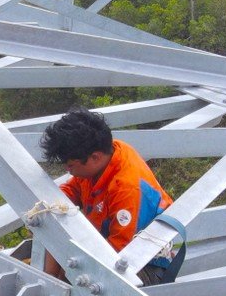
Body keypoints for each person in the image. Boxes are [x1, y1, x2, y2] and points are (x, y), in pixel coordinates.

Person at [37, 108, 182, 283]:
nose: (70, 172)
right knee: (55, 231)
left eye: (71, 166)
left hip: (142, 266)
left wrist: (67, 271)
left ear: (95, 157)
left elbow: (117, 254)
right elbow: (73, 190)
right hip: (105, 243)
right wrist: (49, 207)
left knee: (75, 281)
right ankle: (49, 280)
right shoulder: (106, 155)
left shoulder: (126, 188)